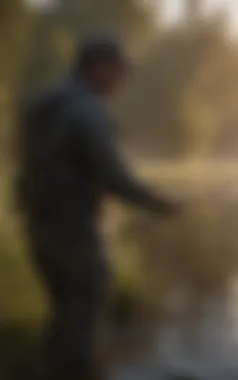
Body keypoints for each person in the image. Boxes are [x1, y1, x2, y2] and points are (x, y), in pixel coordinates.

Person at [16, 36, 181, 380]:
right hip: (76, 235)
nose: (123, 79)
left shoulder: (42, 104)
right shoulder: (87, 110)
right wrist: (159, 202)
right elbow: (113, 176)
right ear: (97, 67)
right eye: (119, 70)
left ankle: (47, 370)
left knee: (63, 312)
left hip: (38, 229)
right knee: (81, 321)